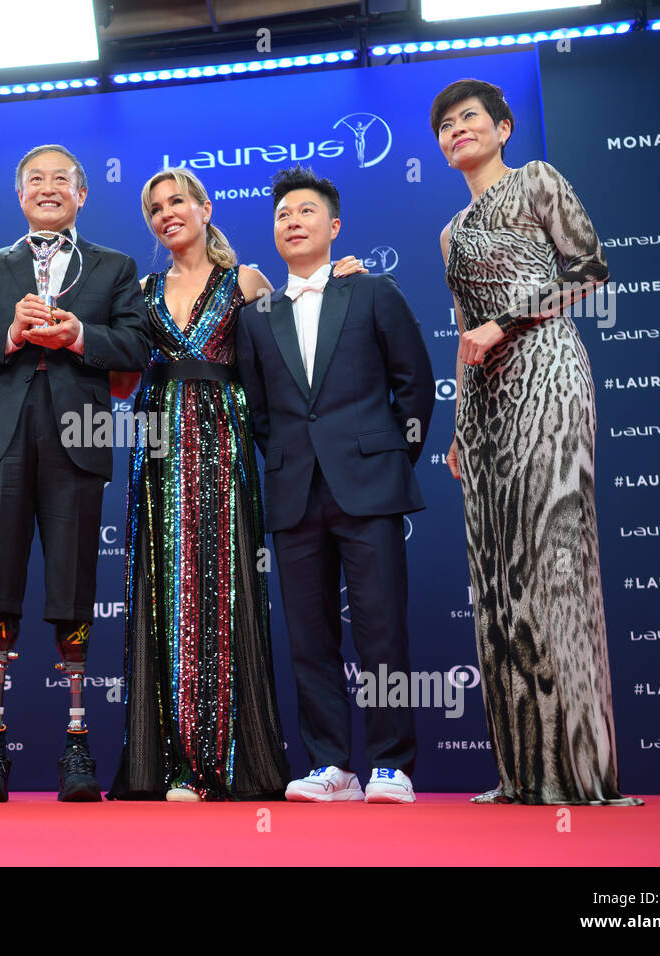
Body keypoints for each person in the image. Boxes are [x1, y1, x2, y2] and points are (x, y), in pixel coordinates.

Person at [109, 168, 366, 801]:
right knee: (167, 598)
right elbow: (119, 378)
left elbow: (292, 342)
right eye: (155, 208)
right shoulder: (140, 290)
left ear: (204, 208)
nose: (167, 213)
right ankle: (170, 764)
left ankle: (227, 762)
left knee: (225, 597)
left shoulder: (246, 281)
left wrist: (342, 280)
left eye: (177, 202)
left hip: (226, 445)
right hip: (160, 452)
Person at [432, 78, 641, 806]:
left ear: (504, 126)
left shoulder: (537, 180)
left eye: (469, 119)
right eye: (446, 126)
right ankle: (523, 774)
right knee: (498, 581)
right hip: (486, 407)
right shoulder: (450, 233)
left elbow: (590, 270)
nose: (458, 131)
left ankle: (581, 775)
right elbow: (464, 334)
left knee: (554, 565)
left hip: (548, 377)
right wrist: (460, 430)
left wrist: (508, 322)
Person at [0, 144, 152, 802]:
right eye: (36, 179)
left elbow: (137, 347)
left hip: (78, 438)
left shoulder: (116, 267)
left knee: (72, 585)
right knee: (0, 583)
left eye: (62, 179)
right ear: (19, 194)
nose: (49, 187)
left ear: (82, 195)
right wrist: (8, 335)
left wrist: (76, 335)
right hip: (2, 440)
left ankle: (77, 743)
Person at [237, 167, 435, 805]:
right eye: (282, 215)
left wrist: (387, 457)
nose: (292, 221)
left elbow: (415, 384)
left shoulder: (373, 292)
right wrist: (293, 459)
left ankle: (390, 764)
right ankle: (330, 764)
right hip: (294, 492)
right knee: (309, 634)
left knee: (381, 628)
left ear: (334, 226)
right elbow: (260, 412)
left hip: (370, 485)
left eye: (305, 212)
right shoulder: (255, 316)